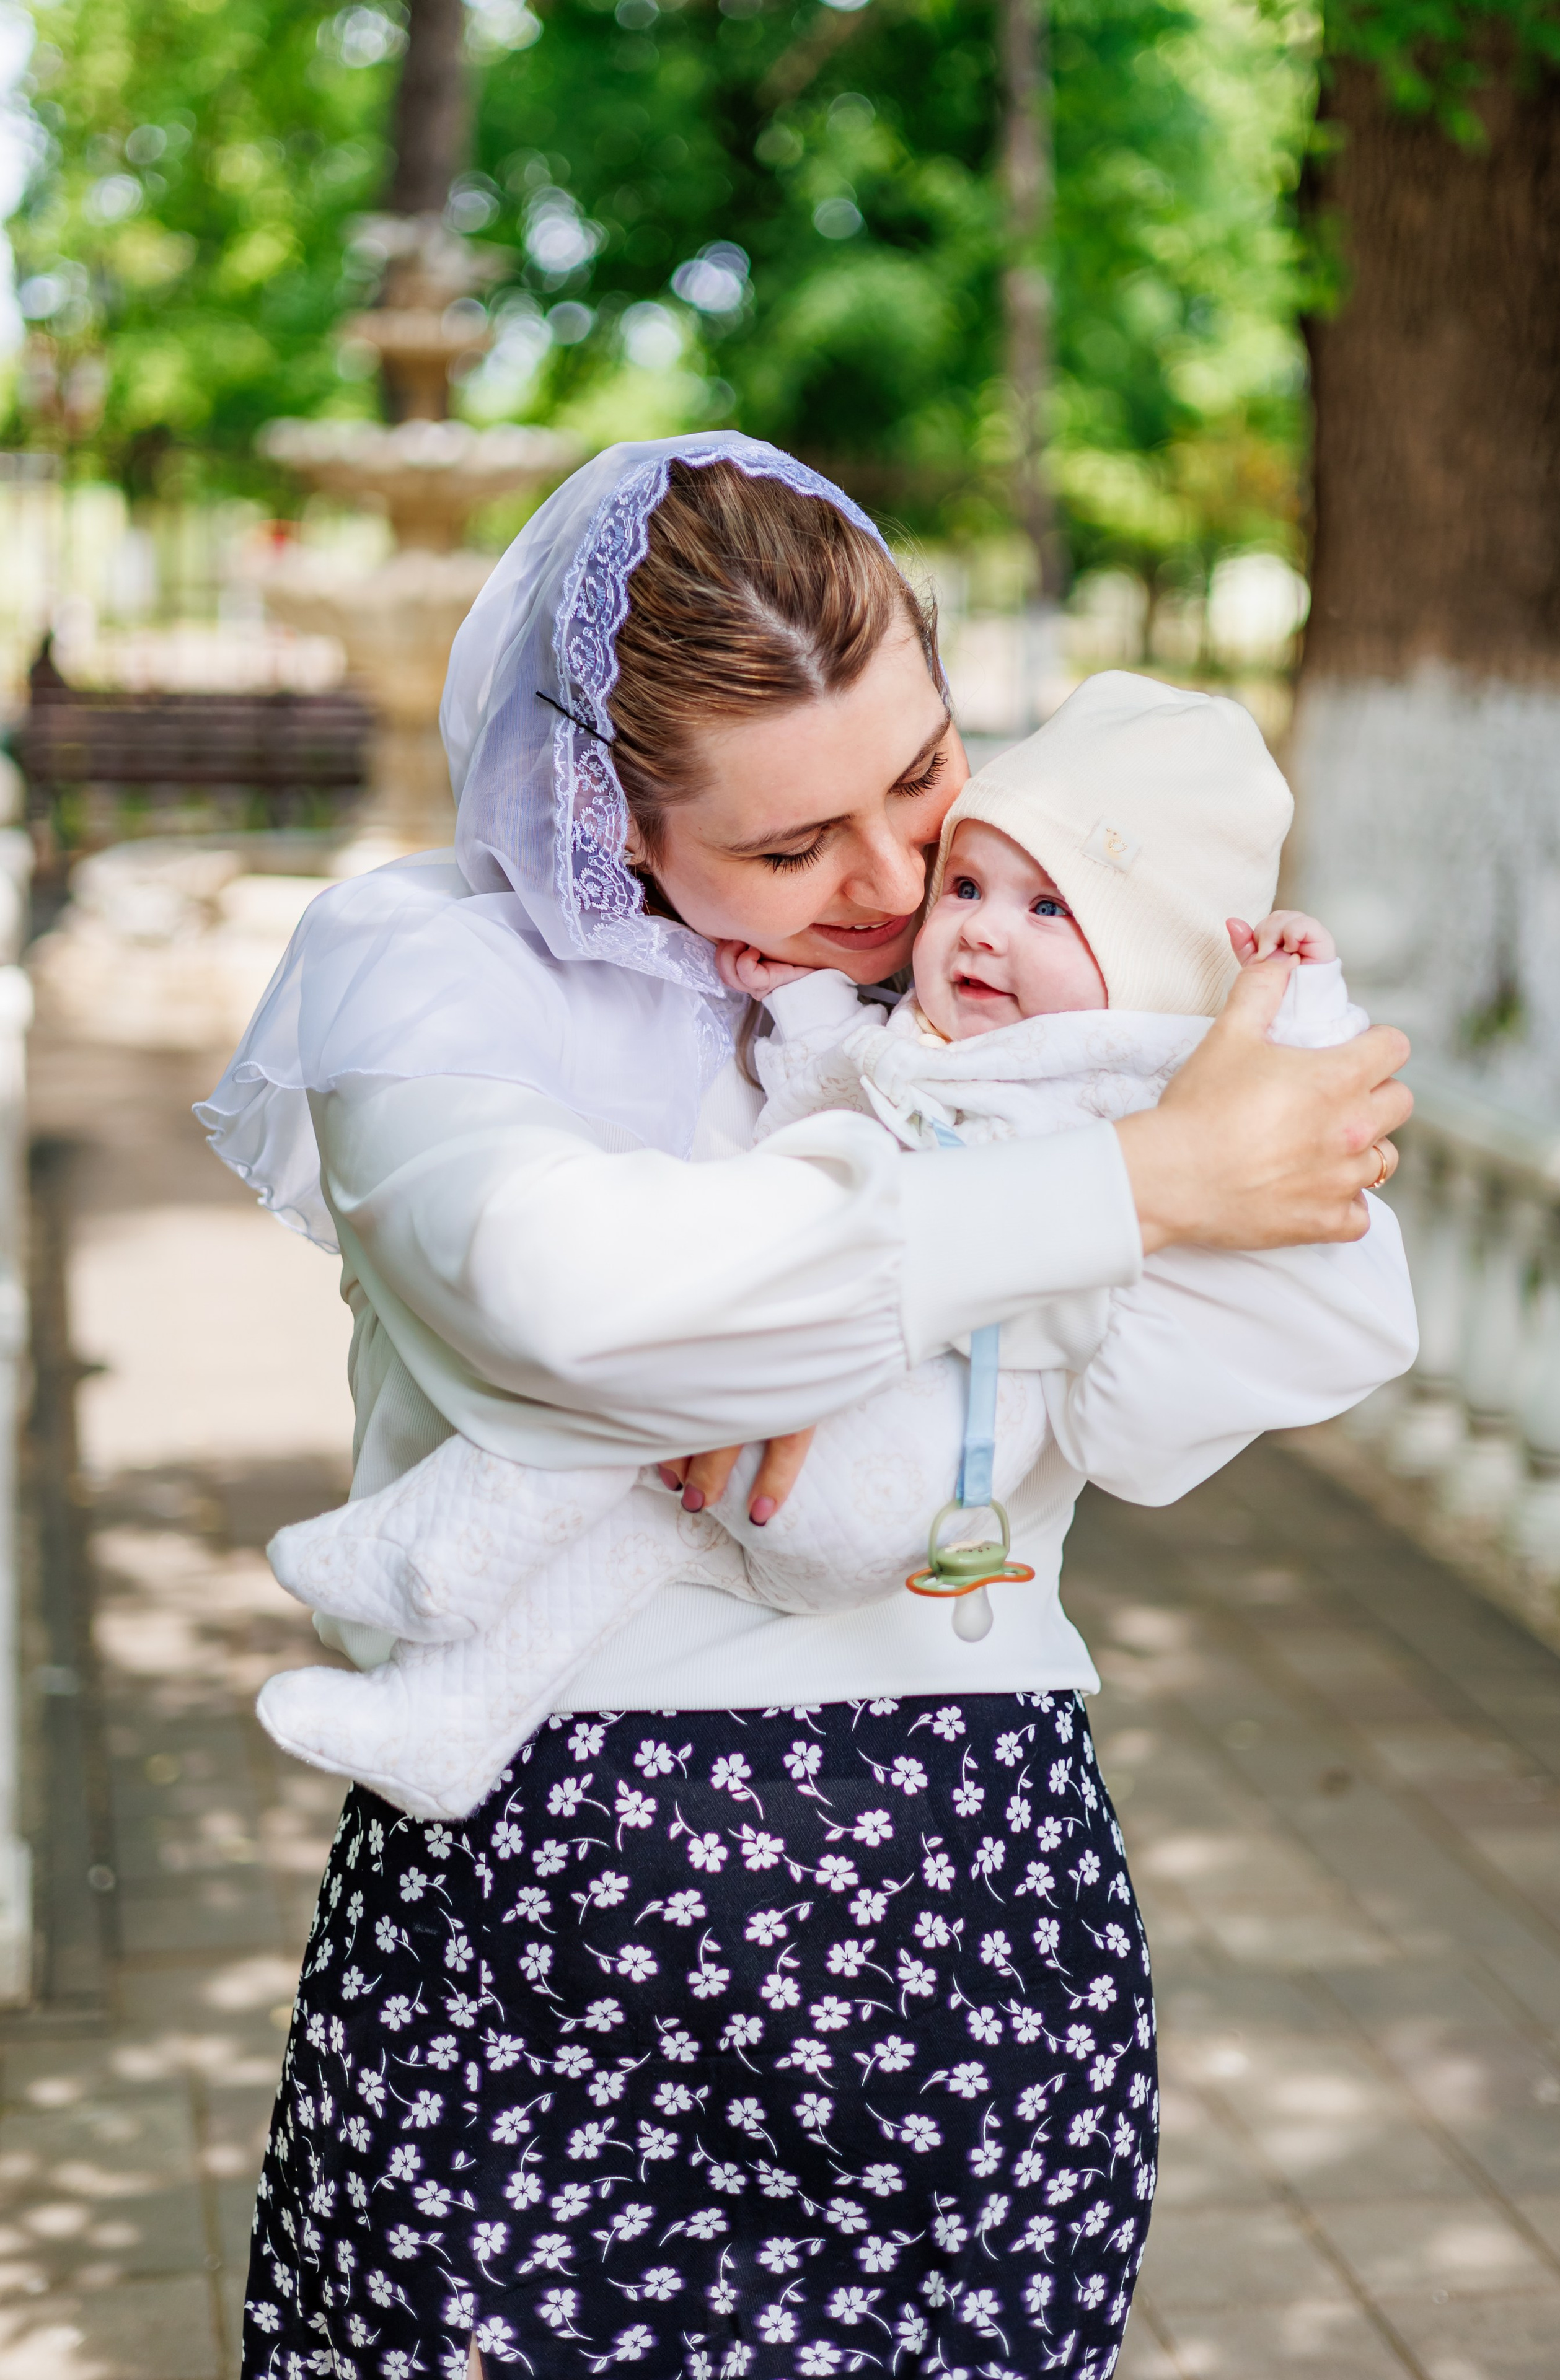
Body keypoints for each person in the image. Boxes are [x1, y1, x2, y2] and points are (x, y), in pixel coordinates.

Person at [206, 434, 1411, 2380]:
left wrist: (1207, 1140)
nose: (890, 882)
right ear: (603, 811)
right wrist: (1136, 1191)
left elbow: (1239, 1360)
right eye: (787, 847)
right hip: (546, 1936)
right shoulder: (425, 971)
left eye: (924, 776)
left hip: (962, 1906)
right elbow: (578, 1305)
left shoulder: (1014, 990)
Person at [249, 670, 1413, 1830]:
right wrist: (815, 1019)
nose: (947, 910)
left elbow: (1295, 1175)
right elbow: (787, 1138)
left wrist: (1299, 1001)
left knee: (636, 1434)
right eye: (970, 881)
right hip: (633, 1752)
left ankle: (431, 1557)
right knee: (635, 1508)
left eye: (1048, 907)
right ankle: (440, 1706)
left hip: (906, 1554)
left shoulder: (1132, 1077)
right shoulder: (443, 963)